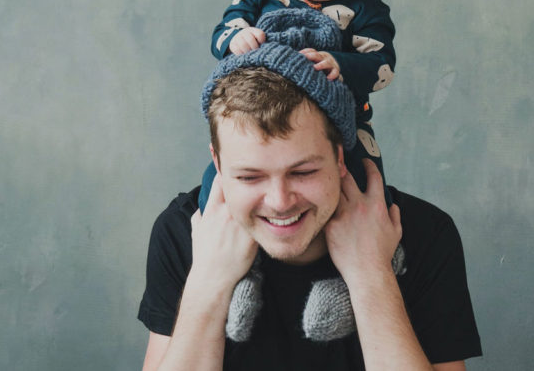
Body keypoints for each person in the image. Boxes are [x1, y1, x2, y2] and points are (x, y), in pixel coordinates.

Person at [138, 55, 482, 369]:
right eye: (249, 176)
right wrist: (208, 280)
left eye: (302, 172)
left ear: (339, 155)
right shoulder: (184, 231)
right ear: (218, 162)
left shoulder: (421, 233)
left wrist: (372, 273)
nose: (279, 201)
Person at [201, 0, 397, 212]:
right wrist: (237, 38)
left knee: (365, 181)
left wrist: (340, 63)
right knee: (221, 179)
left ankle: (374, 235)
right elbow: (225, 28)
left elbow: (382, 66)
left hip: (342, 120)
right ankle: (215, 227)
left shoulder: (366, 7)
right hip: (254, 114)